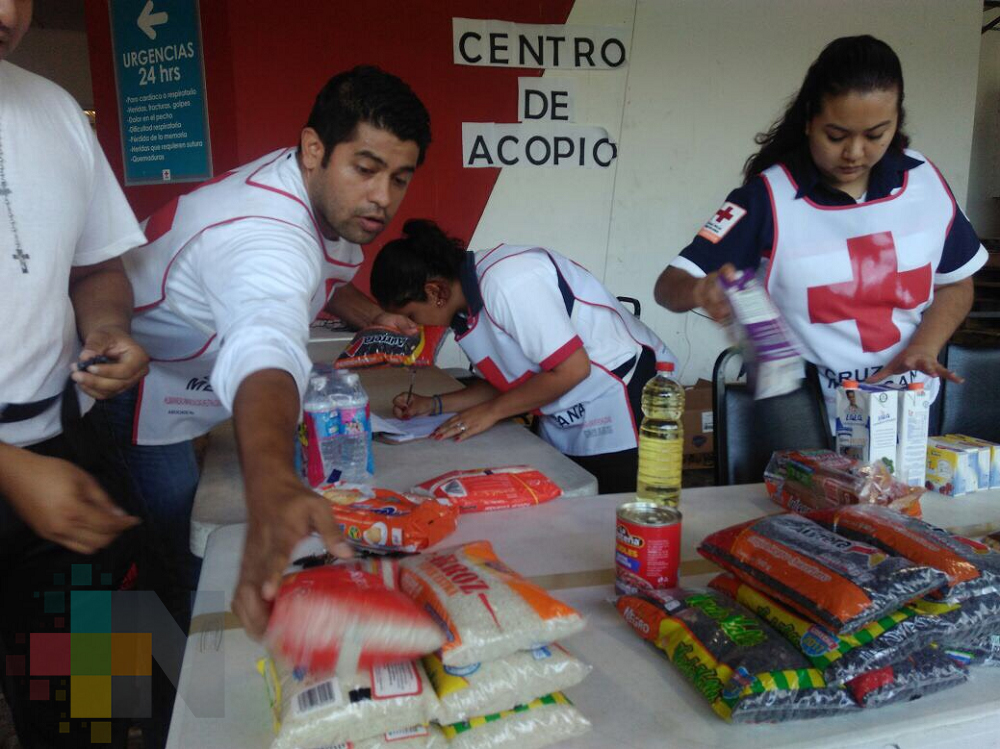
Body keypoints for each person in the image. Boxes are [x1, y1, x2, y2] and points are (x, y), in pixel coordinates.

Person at [102, 65, 432, 638]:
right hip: (134, 385)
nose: (382, 198)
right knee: (182, 552)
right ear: (314, 149)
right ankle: (170, 703)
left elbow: (317, 273)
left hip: (184, 375)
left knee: (172, 540)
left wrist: (369, 315)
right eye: (366, 169)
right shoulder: (264, 237)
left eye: (400, 178)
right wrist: (274, 480)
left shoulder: (309, 190)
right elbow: (265, 340)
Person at [655, 35, 987, 421]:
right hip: (800, 422)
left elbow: (957, 282)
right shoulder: (767, 197)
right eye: (837, 136)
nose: (855, 153)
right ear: (810, 119)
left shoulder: (924, 179)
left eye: (876, 134)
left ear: (897, 120)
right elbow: (668, 287)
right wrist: (700, 289)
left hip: (907, 411)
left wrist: (923, 348)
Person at [0, 0, 151, 745]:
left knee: (105, 714)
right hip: (26, 473)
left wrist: (107, 325)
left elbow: (97, 264)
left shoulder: (55, 108)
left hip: (67, 466)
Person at [370, 219, 677, 494]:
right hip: (564, 411)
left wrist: (492, 412)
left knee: (613, 521)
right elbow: (512, 382)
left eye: (411, 313)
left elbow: (572, 369)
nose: (415, 324)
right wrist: (433, 404)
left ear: (435, 291)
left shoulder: (508, 282)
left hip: (619, 396)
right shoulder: (463, 312)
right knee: (569, 513)